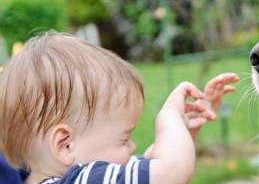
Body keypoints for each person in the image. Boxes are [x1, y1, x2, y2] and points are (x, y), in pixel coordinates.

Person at [0, 32, 239, 184]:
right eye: (124, 139)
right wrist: (170, 119)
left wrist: (183, 132)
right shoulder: (83, 179)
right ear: (66, 144)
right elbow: (171, 171)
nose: (133, 146)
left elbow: (147, 164)